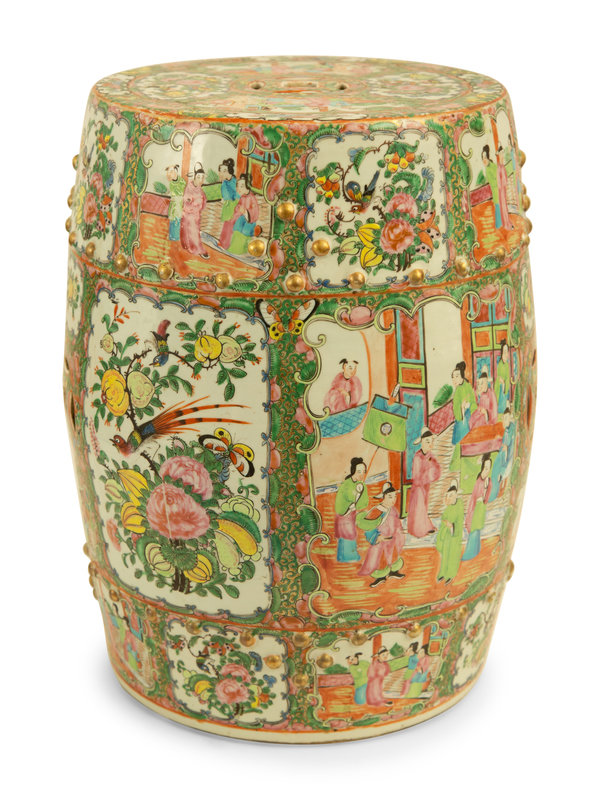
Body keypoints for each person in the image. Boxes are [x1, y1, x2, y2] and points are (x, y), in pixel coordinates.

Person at [356, 482, 406, 588]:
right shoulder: (377, 510)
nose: (393, 499)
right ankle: (380, 577)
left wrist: (398, 532)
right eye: (390, 497)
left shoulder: (393, 509)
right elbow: (368, 526)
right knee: (381, 560)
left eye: (395, 496)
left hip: (391, 540)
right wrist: (377, 537)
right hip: (381, 541)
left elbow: (396, 523)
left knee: (393, 556)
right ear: (383, 497)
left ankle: (393, 571)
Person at [407, 428, 441, 538]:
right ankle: (418, 530)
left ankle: (425, 526)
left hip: (426, 486)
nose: (430, 444)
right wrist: (427, 474)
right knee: (419, 507)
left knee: (424, 506)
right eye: (427, 441)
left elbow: (437, 470)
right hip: (418, 487)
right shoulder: (418, 457)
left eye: (431, 441)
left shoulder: (431, 455)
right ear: (422, 442)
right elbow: (416, 476)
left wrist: (431, 471)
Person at [334, 457, 369, 563]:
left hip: (352, 514)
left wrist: (360, 492)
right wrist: (356, 494)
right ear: (353, 471)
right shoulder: (346, 484)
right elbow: (344, 500)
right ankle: (345, 557)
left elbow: (364, 502)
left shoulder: (362, 485)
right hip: (344, 515)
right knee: (346, 533)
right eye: (359, 471)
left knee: (351, 533)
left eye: (363, 471)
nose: (361, 474)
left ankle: (350, 555)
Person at [462, 454, 493, 560]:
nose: (487, 471)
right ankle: (470, 552)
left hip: (481, 508)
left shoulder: (489, 481)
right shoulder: (479, 481)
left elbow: (488, 496)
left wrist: (484, 501)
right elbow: (474, 498)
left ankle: (476, 550)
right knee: (474, 529)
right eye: (485, 468)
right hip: (476, 508)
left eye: (489, 468)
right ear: (482, 467)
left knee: (478, 529)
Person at [435, 480, 465, 583]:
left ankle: (450, 575)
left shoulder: (459, 505)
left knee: (453, 555)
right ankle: (443, 573)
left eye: (451, 495)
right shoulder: (448, 508)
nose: (449, 498)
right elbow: (444, 518)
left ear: (456, 494)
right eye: (448, 496)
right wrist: (445, 523)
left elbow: (460, 520)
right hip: (447, 534)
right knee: (445, 554)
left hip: (455, 534)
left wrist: (452, 525)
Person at [450, 361, 477, 470]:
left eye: (456, 376)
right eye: (453, 377)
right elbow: (455, 407)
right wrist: (460, 410)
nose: (454, 379)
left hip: (469, 417)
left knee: (468, 441)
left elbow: (474, 402)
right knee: (459, 443)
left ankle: (468, 463)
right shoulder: (457, 391)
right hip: (460, 419)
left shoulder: (468, 386)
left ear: (461, 375)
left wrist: (468, 405)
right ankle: (457, 465)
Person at [180, 163, 210, 258]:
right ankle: (198, 249)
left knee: (195, 231)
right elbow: (186, 198)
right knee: (192, 231)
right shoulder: (189, 187)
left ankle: (190, 246)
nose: (201, 179)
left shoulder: (200, 189)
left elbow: (204, 200)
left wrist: (199, 208)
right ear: (195, 177)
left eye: (202, 177)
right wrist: (189, 200)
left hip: (196, 214)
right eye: (199, 177)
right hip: (189, 213)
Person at [228, 174, 261, 255]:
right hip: (242, 218)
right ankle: (234, 247)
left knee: (245, 231)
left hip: (250, 221)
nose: (238, 188)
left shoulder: (252, 197)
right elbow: (238, 207)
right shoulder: (242, 197)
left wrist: (246, 212)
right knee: (237, 226)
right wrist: (237, 212)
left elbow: (255, 212)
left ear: (247, 186)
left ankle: (242, 249)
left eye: (242, 186)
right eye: (237, 186)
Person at [489, 406, 515, 501]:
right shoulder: (506, 430)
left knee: (496, 474)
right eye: (504, 418)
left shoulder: (511, 430)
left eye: (507, 418)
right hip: (501, 454)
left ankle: (492, 496)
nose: (504, 420)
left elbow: (508, 454)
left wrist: (505, 448)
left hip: (504, 458)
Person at [217, 158, 239, 250]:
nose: (221, 173)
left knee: (231, 225)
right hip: (227, 205)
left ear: (228, 171)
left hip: (234, 205)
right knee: (226, 224)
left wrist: (234, 203)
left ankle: (227, 244)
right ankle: (223, 242)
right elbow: (224, 193)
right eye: (220, 171)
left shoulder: (234, 182)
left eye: (224, 171)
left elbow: (238, 195)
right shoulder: (225, 182)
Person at [165, 164, 186, 241]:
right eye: (169, 172)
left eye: (171, 172)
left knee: (178, 220)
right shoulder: (171, 183)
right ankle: (172, 236)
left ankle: (176, 237)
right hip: (173, 204)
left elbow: (182, 193)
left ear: (175, 171)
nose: (170, 174)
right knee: (172, 220)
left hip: (179, 204)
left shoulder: (182, 182)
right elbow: (171, 193)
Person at [482, 144, 500, 228]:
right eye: (482, 158)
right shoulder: (487, 168)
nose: (484, 160)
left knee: (498, 207)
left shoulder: (492, 166)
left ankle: (499, 225)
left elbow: (498, 178)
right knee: (496, 207)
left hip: (497, 190)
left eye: (485, 157)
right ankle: (498, 225)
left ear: (488, 157)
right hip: (494, 191)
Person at [496, 146, 514, 230]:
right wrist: (501, 188)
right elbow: (499, 181)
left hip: (504, 189)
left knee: (505, 206)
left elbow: (505, 178)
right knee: (503, 206)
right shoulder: (499, 167)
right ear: (499, 155)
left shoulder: (502, 166)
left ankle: (507, 222)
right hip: (501, 191)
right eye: (501, 153)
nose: (502, 155)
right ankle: (506, 224)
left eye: (503, 153)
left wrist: (505, 186)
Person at [495, 341, 511, 414]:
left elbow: (507, 378)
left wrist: (505, 384)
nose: (506, 354)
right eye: (504, 351)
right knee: (501, 409)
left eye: (507, 351)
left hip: (506, 388)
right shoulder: (500, 364)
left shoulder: (507, 364)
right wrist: (502, 382)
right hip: (500, 389)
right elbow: (499, 378)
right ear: (501, 353)